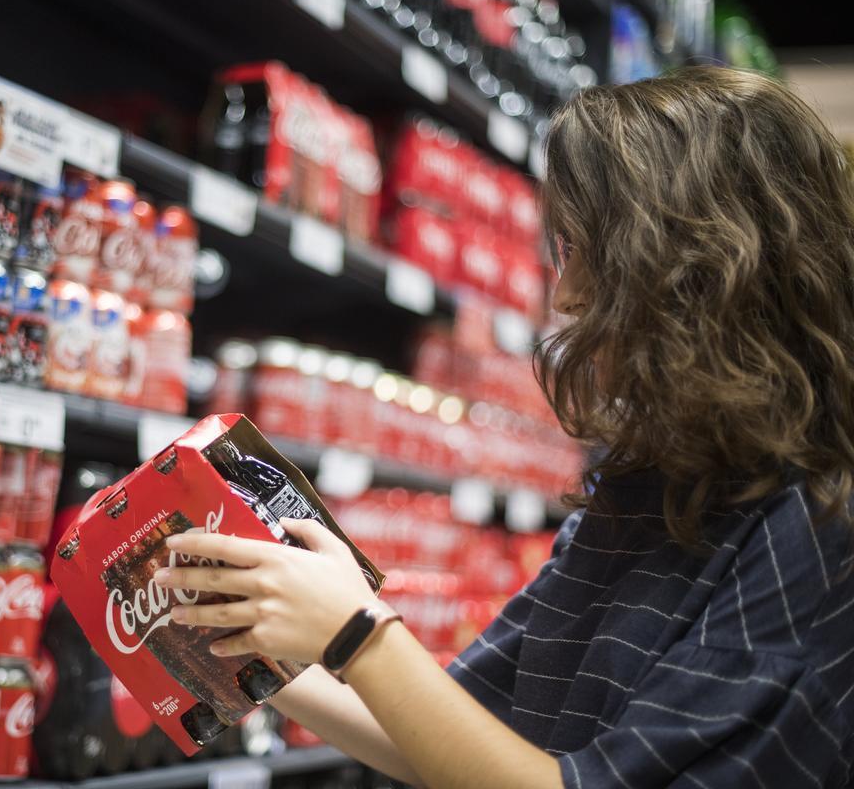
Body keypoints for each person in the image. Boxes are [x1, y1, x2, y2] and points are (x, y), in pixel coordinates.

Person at [157, 66, 854, 788]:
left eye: (585, 252)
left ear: (698, 271)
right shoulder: (650, 482)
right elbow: (459, 743)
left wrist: (356, 633)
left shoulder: (812, 532)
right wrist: (230, 640)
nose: (568, 293)